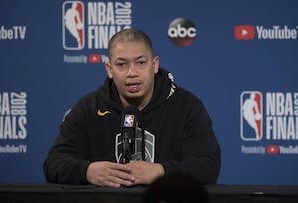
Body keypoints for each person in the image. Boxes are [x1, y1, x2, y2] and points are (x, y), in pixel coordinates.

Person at [43, 28, 221, 188]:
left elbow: (208, 166)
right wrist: (87, 171)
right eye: (121, 64)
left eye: (141, 62)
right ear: (109, 69)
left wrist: (161, 171)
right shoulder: (89, 108)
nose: (132, 73)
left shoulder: (187, 106)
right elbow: (54, 163)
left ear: (155, 65)